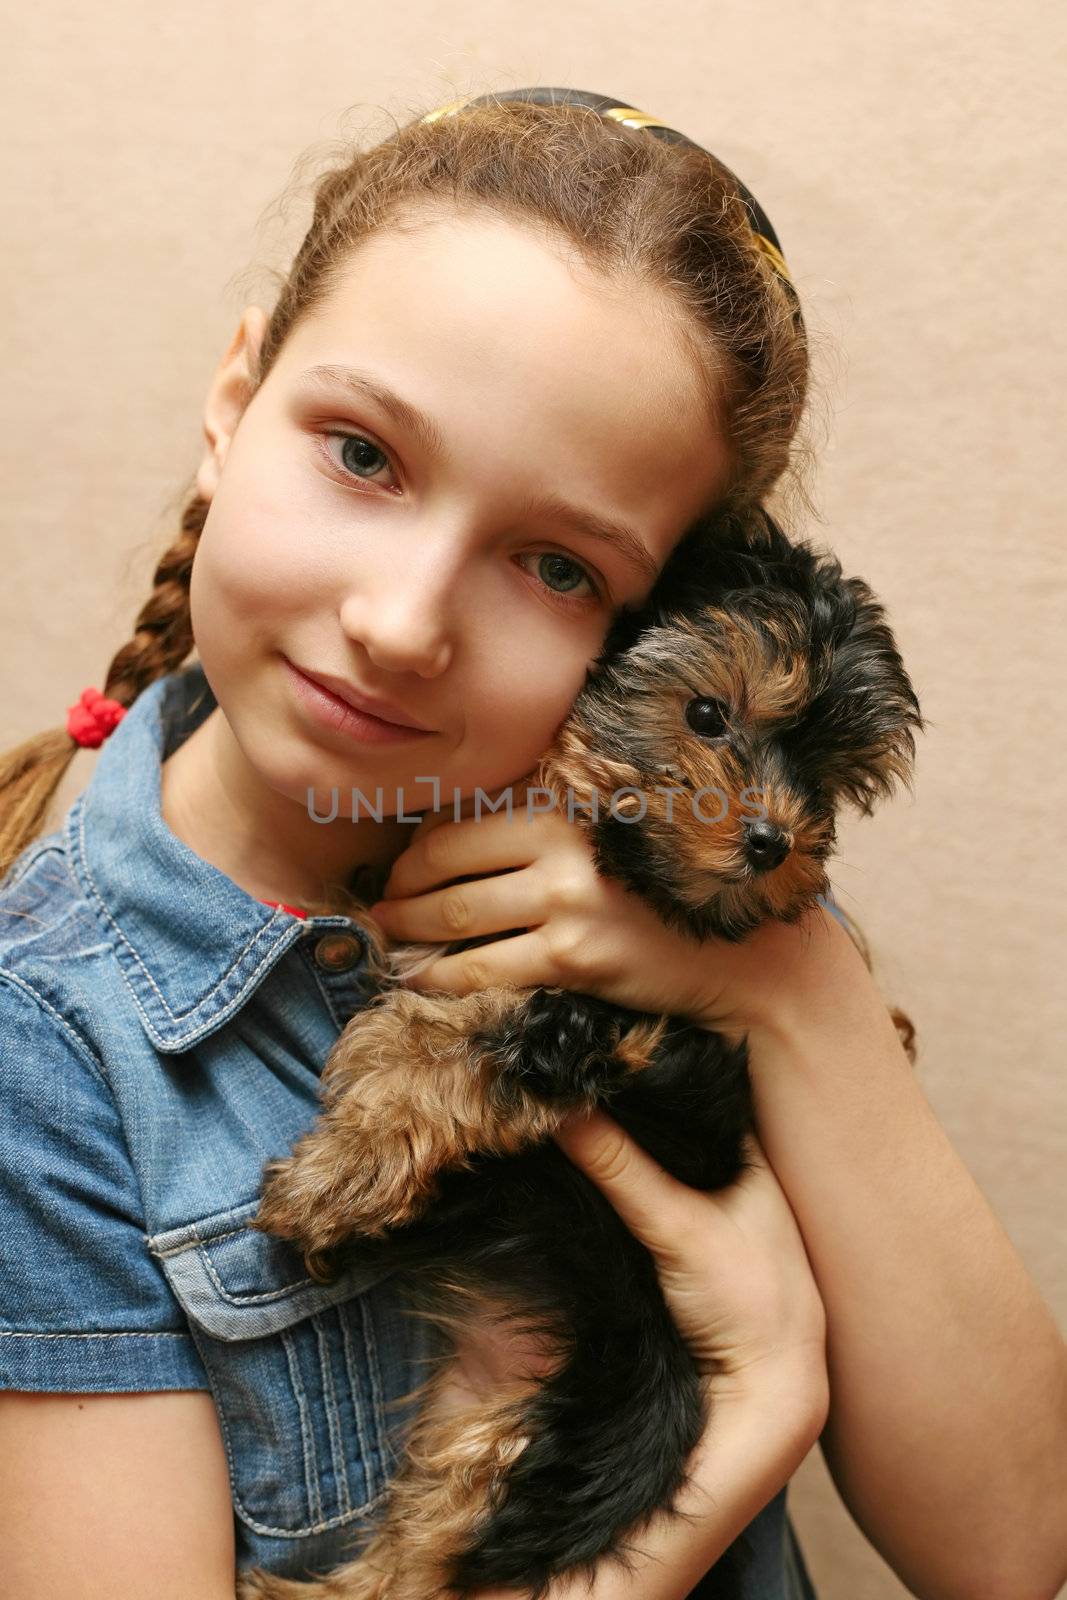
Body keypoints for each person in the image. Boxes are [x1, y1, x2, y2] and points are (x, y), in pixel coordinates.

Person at [0, 87, 1064, 1600]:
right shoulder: (45, 1045)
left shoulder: (705, 905)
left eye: (557, 564)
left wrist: (790, 987)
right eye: (363, 455)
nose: (401, 621)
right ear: (235, 400)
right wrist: (740, 1424)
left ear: (663, 633)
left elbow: (1013, 1548)